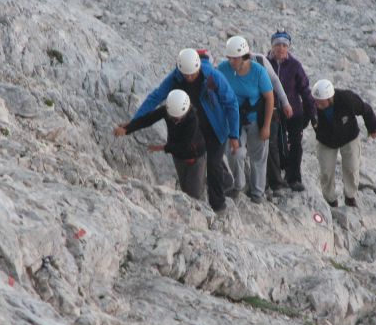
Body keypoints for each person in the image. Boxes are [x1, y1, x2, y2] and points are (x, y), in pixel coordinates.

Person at [124, 48, 239, 212]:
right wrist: (135, 121)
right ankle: (226, 182)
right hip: (194, 127)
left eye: (193, 74)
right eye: (186, 75)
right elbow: (156, 96)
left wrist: (234, 134)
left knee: (213, 165)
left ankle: (218, 206)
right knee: (213, 160)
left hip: (215, 126)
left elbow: (231, 103)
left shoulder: (213, 76)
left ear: (199, 66)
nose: (190, 78)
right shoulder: (176, 77)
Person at [114, 90, 207, 200]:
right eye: (172, 117)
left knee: (194, 194)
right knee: (185, 189)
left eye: (177, 118)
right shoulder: (167, 110)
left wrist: (163, 147)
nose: (174, 120)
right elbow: (148, 119)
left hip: (195, 157)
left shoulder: (193, 119)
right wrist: (128, 128)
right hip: (177, 156)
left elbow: (184, 145)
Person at [218, 36, 274, 204]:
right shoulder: (223, 69)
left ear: (244, 57)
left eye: (235, 58)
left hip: (255, 119)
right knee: (234, 153)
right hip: (235, 119)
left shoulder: (258, 72)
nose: (232, 61)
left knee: (258, 156)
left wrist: (266, 126)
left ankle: (257, 193)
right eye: (230, 58)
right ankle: (238, 185)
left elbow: (270, 98)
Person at [311, 79, 376, 207]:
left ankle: (350, 196)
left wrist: (372, 128)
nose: (317, 105)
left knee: (352, 167)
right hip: (326, 140)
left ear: (330, 98)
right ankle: (330, 199)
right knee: (326, 171)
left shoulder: (347, 99)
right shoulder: (312, 105)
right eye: (316, 101)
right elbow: (304, 117)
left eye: (320, 102)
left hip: (349, 136)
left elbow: (366, 109)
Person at [267, 30, 317, 192]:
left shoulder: (295, 65)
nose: (281, 48)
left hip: (294, 112)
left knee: (295, 144)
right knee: (274, 143)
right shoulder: (265, 63)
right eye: (277, 45)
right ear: (272, 46)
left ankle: (294, 177)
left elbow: (305, 89)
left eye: (284, 45)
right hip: (272, 112)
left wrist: (312, 112)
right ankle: (276, 175)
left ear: (288, 47)